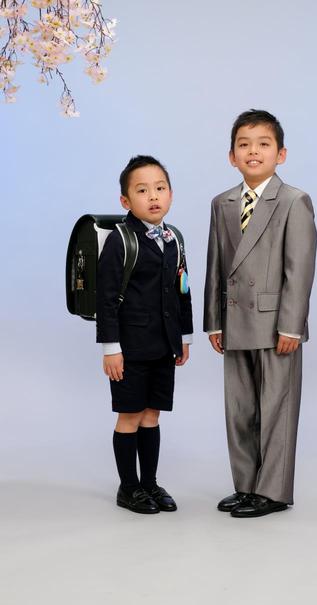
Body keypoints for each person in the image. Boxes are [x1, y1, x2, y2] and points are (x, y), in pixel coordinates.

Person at [204, 109, 317, 518]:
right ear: (232, 156)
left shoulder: (293, 201)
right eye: (244, 144)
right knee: (240, 409)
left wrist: (292, 326)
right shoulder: (222, 203)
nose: (253, 151)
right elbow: (216, 266)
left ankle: (273, 492)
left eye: (264, 144)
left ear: (280, 154)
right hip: (235, 321)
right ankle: (246, 486)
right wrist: (213, 321)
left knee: (276, 409)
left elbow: (299, 270)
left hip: (275, 325)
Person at [96, 155, 193, 514]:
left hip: (164, 345)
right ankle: (129, 488)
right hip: (130, 348)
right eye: (142, 190)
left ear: (170, 194)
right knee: (130, 416)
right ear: (126, 200)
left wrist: (184, 337)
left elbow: (182, 290)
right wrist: (111, 348)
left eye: (160, 188)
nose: (153, 196)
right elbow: (106, 299)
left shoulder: (174, 237)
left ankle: (150, 483)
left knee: (152, 415)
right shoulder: (121, 240)